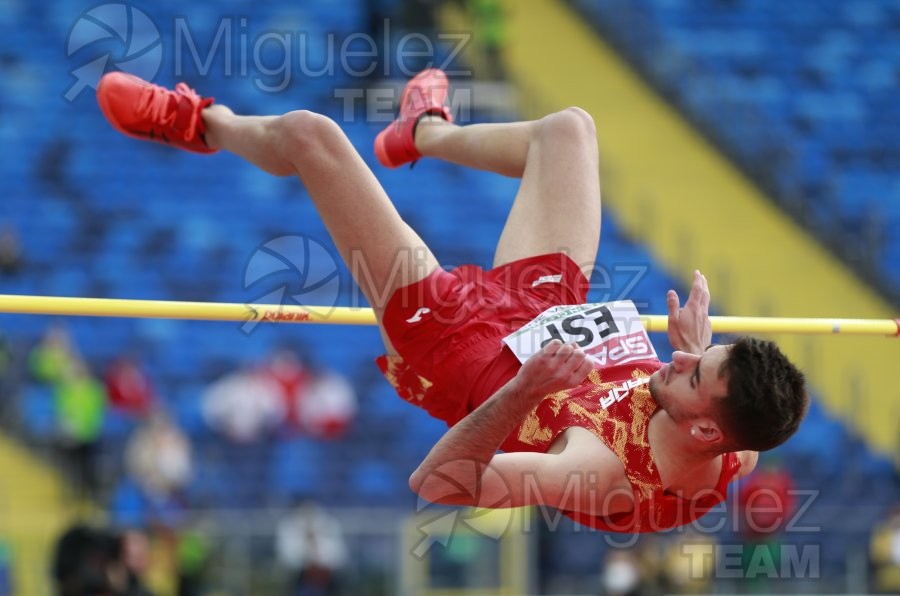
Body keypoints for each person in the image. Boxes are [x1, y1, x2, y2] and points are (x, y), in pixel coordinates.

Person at [95, 68, 808, 533]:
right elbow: (735, 428)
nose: (676, 365)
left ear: (708, 430)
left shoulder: (598, 474)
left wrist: (525, 389)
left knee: (315, 139)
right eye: (695, 361)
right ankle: (422, 135)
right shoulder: (733, 450)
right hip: (550, 312)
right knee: (568, 131)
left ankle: (199, 123)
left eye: (688, 376)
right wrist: (691, 351)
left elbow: (439, 483)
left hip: (457, 342)